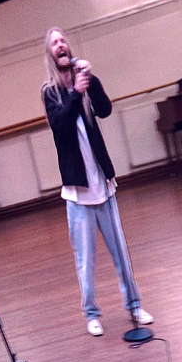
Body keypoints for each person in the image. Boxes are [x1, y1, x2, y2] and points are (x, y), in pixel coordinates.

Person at [41, 26, 152, 336]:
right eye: (54, 43)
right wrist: (76, 92)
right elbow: (61, 125)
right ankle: (91, 314)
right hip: (78, 193)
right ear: (50, 53)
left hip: (103, 186)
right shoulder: (50, 92)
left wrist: (92, 81)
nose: (60, 45)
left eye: (63, 41)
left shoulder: (85, 81)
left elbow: (105, 110)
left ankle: (134, 305)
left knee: (121, 254)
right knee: (85, 261)